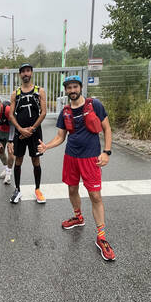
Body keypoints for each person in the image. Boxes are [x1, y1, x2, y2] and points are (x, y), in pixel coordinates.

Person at [37, 75, 115, 261]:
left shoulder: (94, 105)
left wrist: (107, 152)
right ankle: (78, 217)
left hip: (90, 158)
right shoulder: (65, 111)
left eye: (75, 87)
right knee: (72, 189)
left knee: (95, 195)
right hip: (71, 156)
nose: (72, 90)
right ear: (66, 90)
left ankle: (101, 236)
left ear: (80, 88)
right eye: (69, 87)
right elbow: (60, 136)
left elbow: (107, 128)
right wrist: (47, 146)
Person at [8, 63, 47, 204]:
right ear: (20, 74)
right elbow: (11, 115)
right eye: (23, 71)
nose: (26, 74)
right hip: (20, 133)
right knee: (18, 160)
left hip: (35, 133)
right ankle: (17, 189)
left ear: (31, 73)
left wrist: (31, 129)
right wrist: (20, 129)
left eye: (28, 71)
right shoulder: (15, 93)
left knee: (35, 160)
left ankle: (37, 189)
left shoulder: (39, 91)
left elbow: (43, 112)